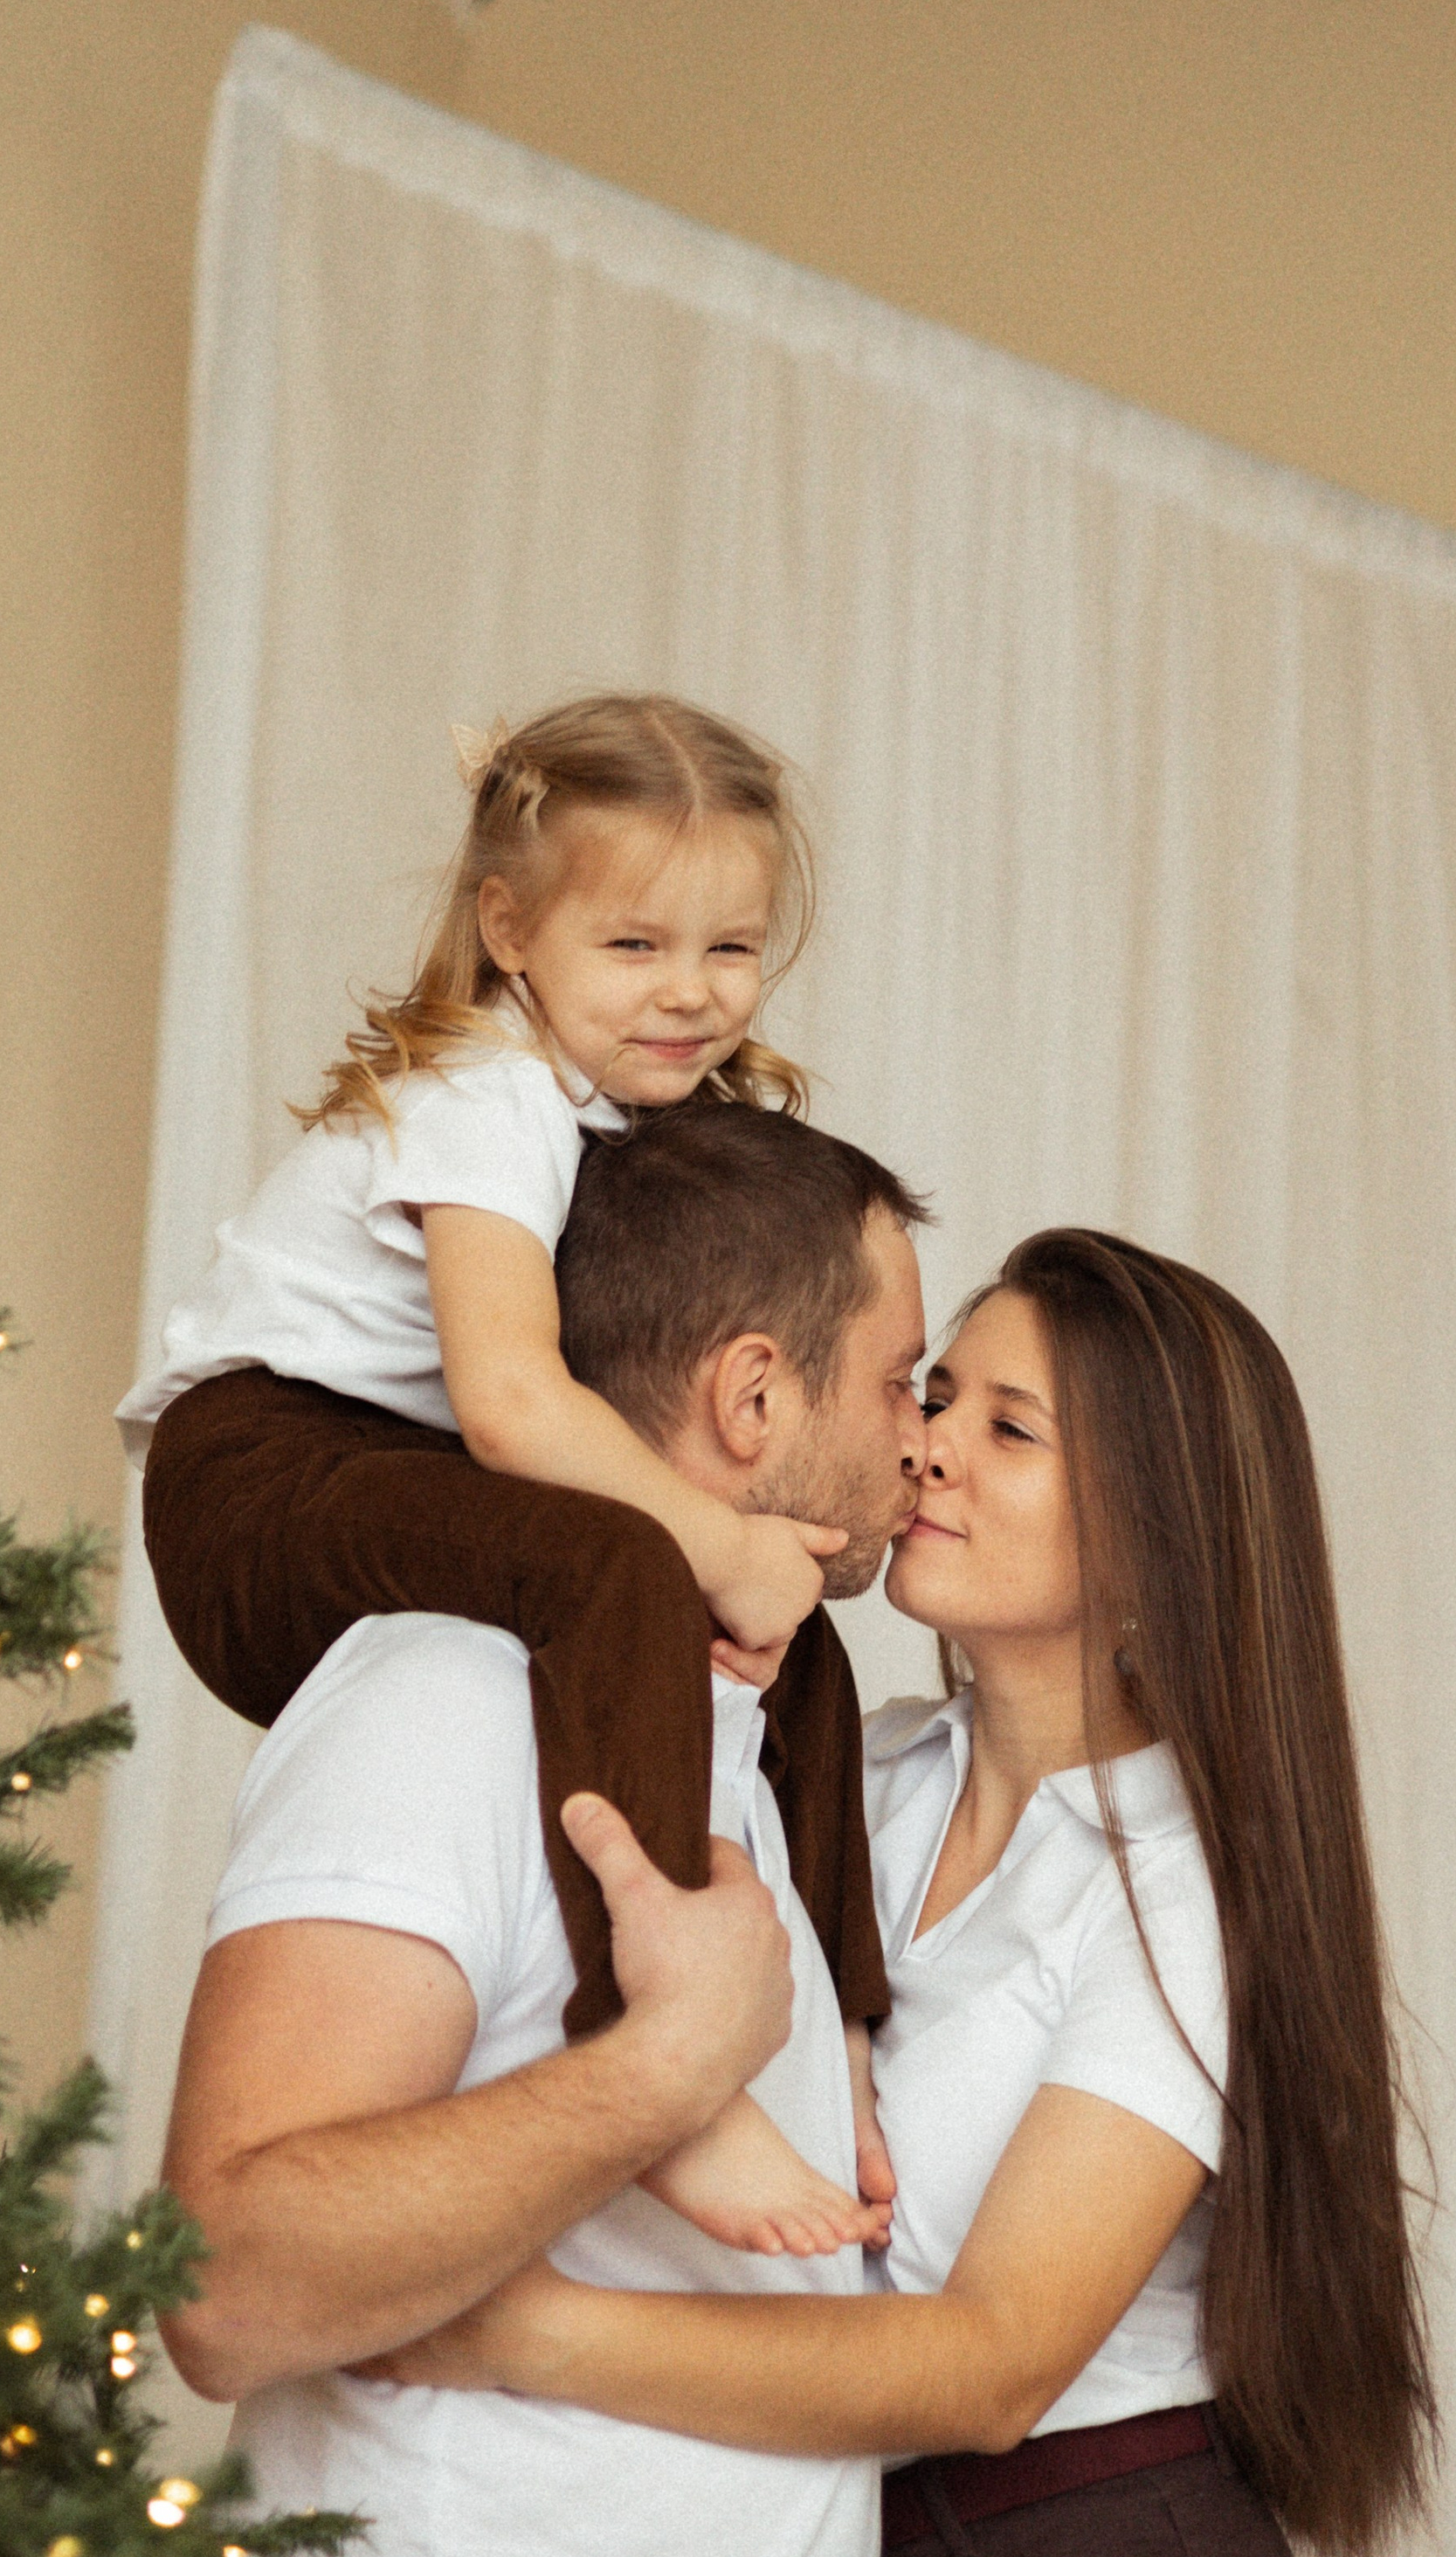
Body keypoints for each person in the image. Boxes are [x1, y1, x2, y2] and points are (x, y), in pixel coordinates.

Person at [369, 1228, 1437, 2557]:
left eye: (1009, 1428)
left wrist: (512, 2332)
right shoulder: (857, 1782)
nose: (927, 1445)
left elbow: (989, 2361)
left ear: (1157, 1531)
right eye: (936, 1396)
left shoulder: (1179, 1892)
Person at [157, 1104, 932, 2557]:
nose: (922, 1433)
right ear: (754, 1397)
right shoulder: (440, 1692)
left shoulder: (732, 1718)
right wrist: (669, 2069)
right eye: (900, 1378)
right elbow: (219, 2281)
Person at [121, 693, 894, 2256]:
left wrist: (771, 1570)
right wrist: (721, 1542)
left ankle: (844, 2045)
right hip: (260, 1475)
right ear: (510, 929)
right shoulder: (490, 1092)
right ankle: (656, 2053)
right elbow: (514, 1405)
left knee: (803, 1642)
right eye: (635, 944)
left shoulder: (608, 1099)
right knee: (630, 1565)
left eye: (731, 947)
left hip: (375, 1459)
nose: (690, 990)